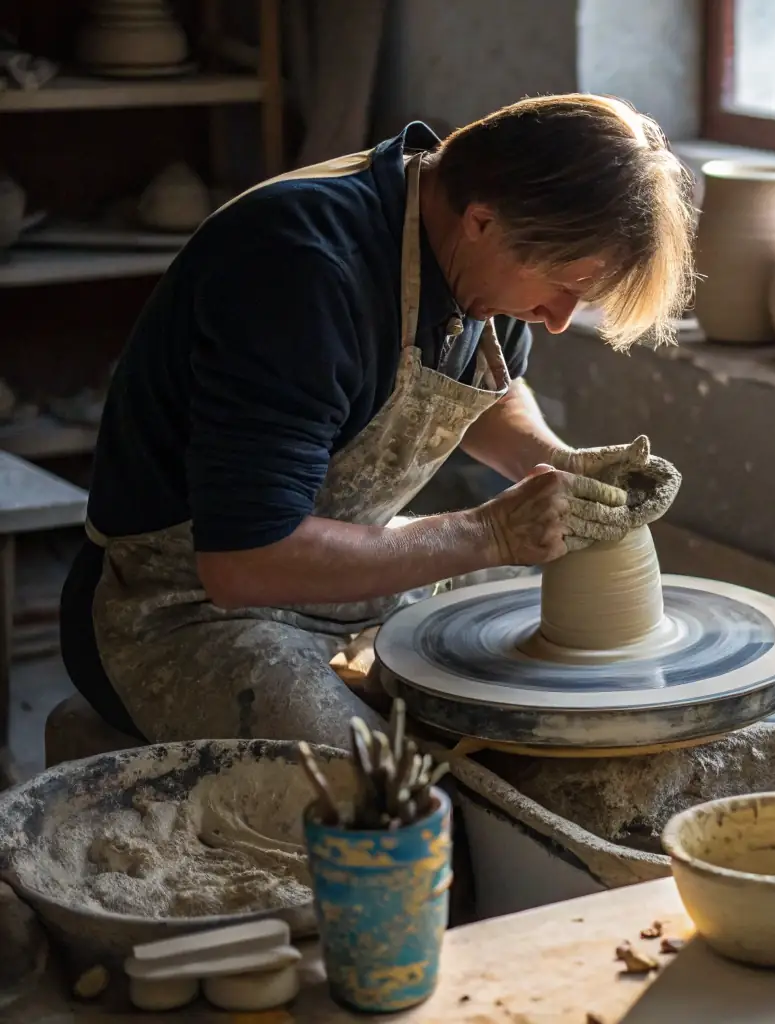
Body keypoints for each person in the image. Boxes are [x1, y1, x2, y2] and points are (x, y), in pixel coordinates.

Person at [59, 93, 695, 750]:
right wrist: (490, 532)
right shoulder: (299, 270)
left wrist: (557, 461)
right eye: (563, 286)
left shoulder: (479, 246)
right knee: (392, 803)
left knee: (547, 703)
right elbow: (242, 563)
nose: (559, 318)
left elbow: (476, 387)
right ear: (481, 222)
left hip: (333, 575)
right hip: (176, 607)